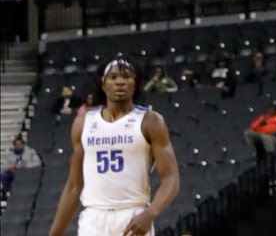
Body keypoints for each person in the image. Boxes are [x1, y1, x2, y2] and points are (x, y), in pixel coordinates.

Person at [48, 58, 180, 236]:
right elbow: (73, 186)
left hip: (133, 214)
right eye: (113, 77)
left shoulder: (151, 121)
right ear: (103, 83)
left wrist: (150, 213)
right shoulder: (83, 123)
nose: (120, 81)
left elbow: (171, 177)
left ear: (135, 83)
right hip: (93, 217)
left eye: (126, 76)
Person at [1, 135, 42, 201]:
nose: (18, 146)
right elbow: (5, 167)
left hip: (27, 171)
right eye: (16, 145)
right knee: (3, 175)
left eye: (19, 144)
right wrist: (13, 166)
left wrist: (25, 165)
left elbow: (38, 163)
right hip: (14, 171)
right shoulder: (11, 155)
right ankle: (7, 191)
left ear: (23, 144)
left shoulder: (31, 152)